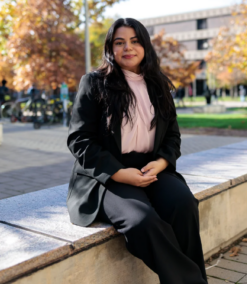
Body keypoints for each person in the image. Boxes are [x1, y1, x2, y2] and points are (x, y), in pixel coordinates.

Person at [67, 18, 207, 284]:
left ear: (145, 46)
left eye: (134, 41)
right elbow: (79, 140)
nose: (127, 48)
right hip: (107, 174)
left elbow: (173, 135)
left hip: (150, 167)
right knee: (142, 220)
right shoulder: (94, 83)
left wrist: (162, 162)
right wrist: (119, 173)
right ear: (110, 48)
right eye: (119, 42)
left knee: (184, 204)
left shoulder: (158, 85)